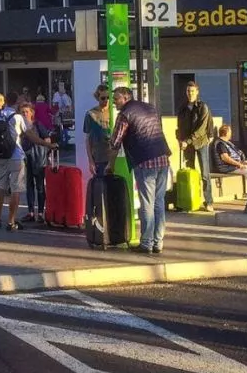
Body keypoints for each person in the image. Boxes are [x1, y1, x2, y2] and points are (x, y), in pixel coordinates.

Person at [106, 86, 172, 255]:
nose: (114, 102)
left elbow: (115, 142)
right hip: (162, 157)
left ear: (126, 97)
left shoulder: (125, 114)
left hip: (144, 161)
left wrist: (110, 165)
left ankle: (146, 243)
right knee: (159, 202)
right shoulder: (150, 108)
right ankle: (158, 242)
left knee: (147, 203)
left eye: (116, 98)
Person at [0, 93, 55, 232]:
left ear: (5, 101)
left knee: (0, 187)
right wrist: (48, 144)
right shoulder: (18, 118)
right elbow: (31, 136)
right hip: (16, 156)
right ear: (16, 102)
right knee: (16, 189)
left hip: (1, 156)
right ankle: (11, 222)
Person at [176, 81, 217, 211]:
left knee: (205, 173)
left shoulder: (202, 107)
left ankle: (208, 201)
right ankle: (191, 200)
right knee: (190, 172)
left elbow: (201, 129)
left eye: (192, 91)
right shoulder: (182, 108)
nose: (190, 94)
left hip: (201, 143)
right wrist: (180, 140)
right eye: (188, 91)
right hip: (187, 144)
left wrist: (187, 141)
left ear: (197, 92)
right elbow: (180, 127)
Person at [19, 102, 54, 223]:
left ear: (32, 113)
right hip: (26, 158)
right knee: (29, 185)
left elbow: (47, 138)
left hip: (38, 158)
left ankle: (40, 212)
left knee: (39, 186)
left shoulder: (37, 124)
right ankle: (30, 212)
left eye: (27, 112)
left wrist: (47, 152)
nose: (24, 114)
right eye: (22, 112)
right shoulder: (20, 126)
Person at [82, 84, 113, 177]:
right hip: (99, 158)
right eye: (103, 98)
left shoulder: (114, 112)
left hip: (114, 156)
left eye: (108, 97)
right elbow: (87, 140)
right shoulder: (90, 114)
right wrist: (90, 161)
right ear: (97, 98)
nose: (106, 100)